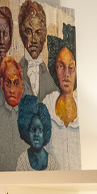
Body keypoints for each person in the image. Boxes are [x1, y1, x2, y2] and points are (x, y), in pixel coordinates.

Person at [42, 27, 80, 170]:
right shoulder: (47, 107)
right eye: (61, 66)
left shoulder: (83, 113)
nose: (66, 74)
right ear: (54, 68)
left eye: (71, 68)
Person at [0, 56, 27, 171]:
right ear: (1, 83)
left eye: (16, 83)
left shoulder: (31, 120)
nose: (11, 90)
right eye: (8, 83)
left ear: (22, 85)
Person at [18, 0, 57, 100]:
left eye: (38, 32)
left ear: (44, 35)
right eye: (28, 31)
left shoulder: (53, 79)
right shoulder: (15, 72)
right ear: (21, 33)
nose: (33, 39)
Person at [15, 94, 59, 171]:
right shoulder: (22, 161)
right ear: (26, 130)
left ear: (46, 132)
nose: (36, 134)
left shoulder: (52, 164)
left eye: (40, 130)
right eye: (32, 129)